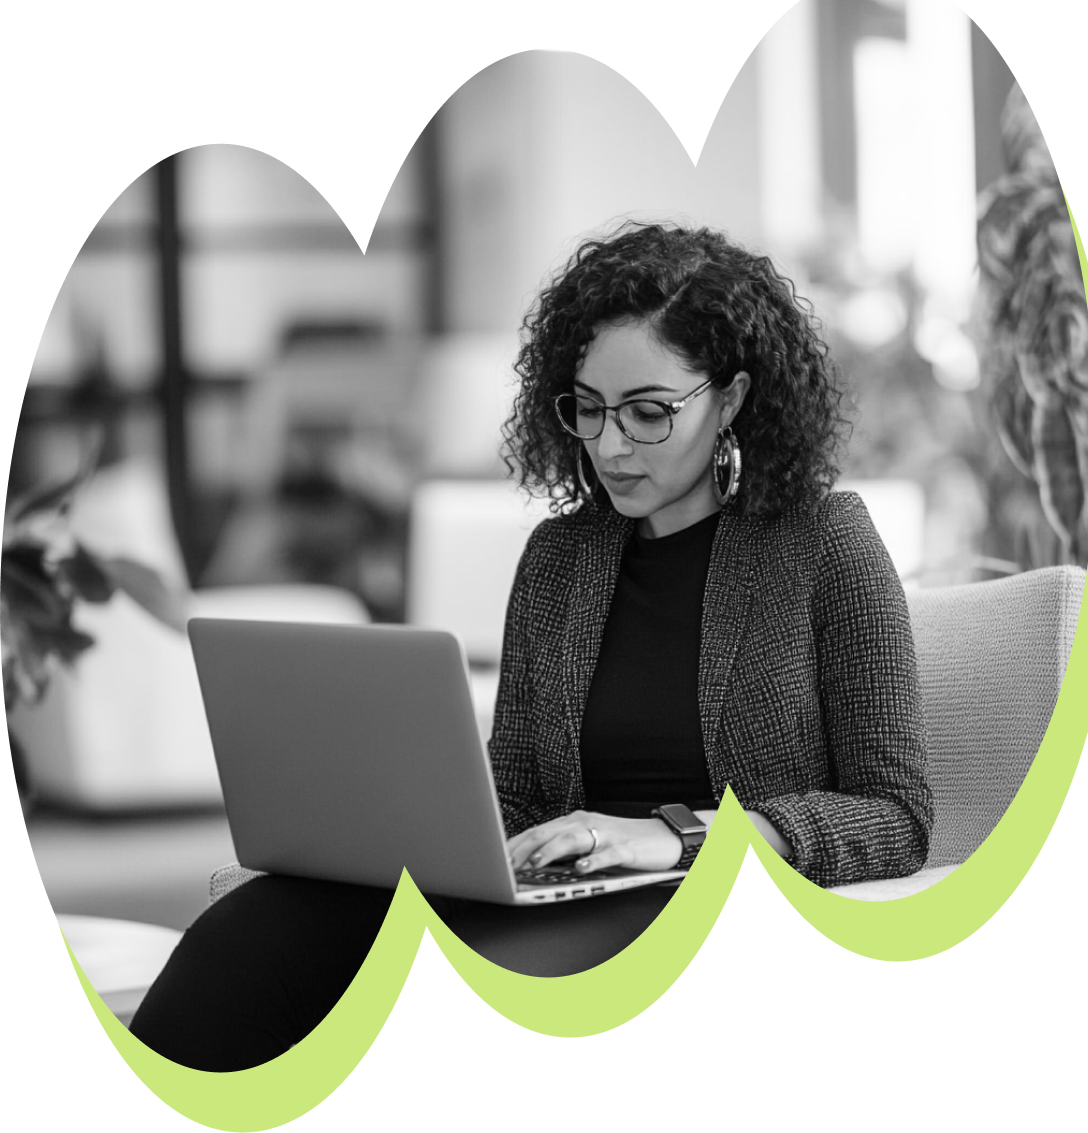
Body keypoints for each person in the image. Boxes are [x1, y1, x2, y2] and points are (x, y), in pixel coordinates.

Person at [129, 221, 931, 1071]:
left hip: (701, 902)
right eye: (588, 408)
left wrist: (680, 837)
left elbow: (895, 815)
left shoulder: (822, 541)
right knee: (248, 935)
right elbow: (514, 788)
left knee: (430, 999)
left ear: (729, 399)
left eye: (648, 413)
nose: (610, 445)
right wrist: (419, 832)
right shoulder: (560, 559)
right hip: (558, 893)